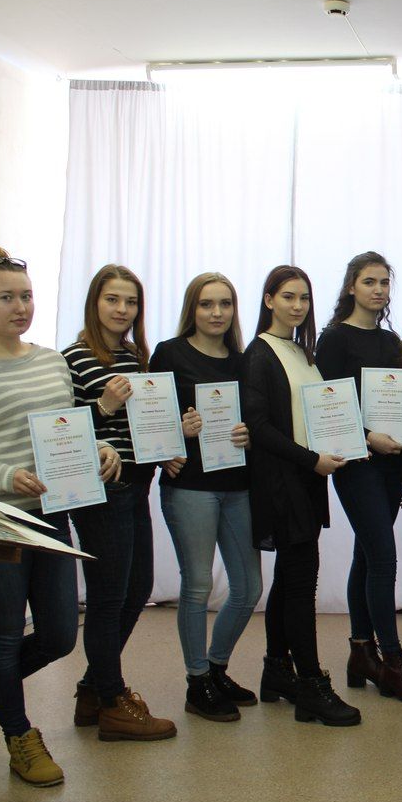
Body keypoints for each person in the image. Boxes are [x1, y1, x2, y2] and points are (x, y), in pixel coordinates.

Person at [0, 247, 119, 787]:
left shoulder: (50, 362)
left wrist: (99, 449)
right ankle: (19, 737)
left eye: (27, 296)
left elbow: (65, 429)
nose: (20, 307)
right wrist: (5, 476)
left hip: (50, 516)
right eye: (6, 297)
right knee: (3, 633)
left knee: (60, 634)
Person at [242, 265, 360, 725]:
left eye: (304, 298)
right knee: (301, 582)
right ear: (269, 299)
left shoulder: (301, 352)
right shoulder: (259, 353)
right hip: (283, 481)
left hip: (307, 478)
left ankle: (276, 670)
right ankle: (311, 683)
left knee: (291, 578)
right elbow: (259, 427)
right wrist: (312, 460)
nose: (297, 305)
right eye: (288, 296)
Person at [62, 264, 174, 741]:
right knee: (109, 598)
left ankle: (93, 690)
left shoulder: (136, 357)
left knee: (138, 587)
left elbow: (143, 428)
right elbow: (60, 431)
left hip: (137, 485)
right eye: (113, 299)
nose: (122, 309)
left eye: (131, 302)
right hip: (100, 492)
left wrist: (173, 439)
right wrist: (104, 405)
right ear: (95, 302)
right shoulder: (72, 358)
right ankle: (111, 700)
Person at [316, 251, 402, 705]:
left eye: (385, 282)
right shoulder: (333, 339)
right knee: (383, 558)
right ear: (351, 286)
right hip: (356, 462)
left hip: (390, 464)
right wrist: (367, 437)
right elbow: (329, 406)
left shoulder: (390, 341)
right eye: (369, 281)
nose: (379, 290)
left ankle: (360, 652)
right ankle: (393, 661)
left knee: (366, 556)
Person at [151, 273, 259, 722]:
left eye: (225, 304)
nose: (217, 313)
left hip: (238, 486)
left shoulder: (243, 361)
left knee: (249, 588)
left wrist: (250, 434)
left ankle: (216, 668)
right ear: (191, 309)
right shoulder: (169, 354)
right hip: (190, 486)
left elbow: (258, 418)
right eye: (206, 304)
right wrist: (177, 432)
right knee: (197, 585)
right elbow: (148, 420)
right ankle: (197, 682)